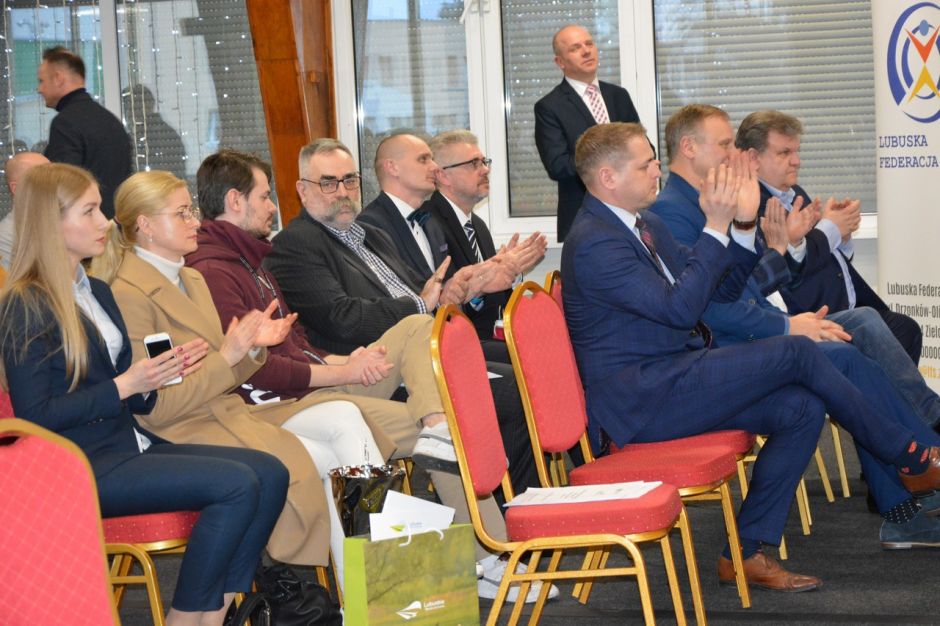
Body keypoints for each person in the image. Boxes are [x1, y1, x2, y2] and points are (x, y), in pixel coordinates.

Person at [562, 121, 940, 592]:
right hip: (643, 401)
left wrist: (741, 227)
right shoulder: (595, 241)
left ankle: (745, 553)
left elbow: (717, 292)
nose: (657, 170)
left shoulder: (646, 225)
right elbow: (680, 311)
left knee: (801, 407)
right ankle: (911, 456)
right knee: (799, 351)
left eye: (655, 161)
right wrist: (716, 226)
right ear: (608, 178)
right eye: (646, 165)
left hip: (678, 375)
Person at [265, 140, 556, 602]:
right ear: (302, 189)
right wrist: (423, 304)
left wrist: (459, 289)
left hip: (415, 361)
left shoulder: (368, 234)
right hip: (360, 370)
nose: (343, 192)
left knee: (466, 410)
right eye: (328, 183)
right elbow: (344, 320)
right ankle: (492, 545)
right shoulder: (296, 245)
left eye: (349, 180)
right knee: (469, 407)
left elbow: (427, 296)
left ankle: (491, 548)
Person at [0, 163, 288, 626]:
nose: (105, 222)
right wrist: (126, 384)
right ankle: (185, 618)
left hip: (125, 445)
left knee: (270, 472)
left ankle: (216, 614)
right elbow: (37, 418)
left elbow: (133, 393)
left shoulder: (94, 290)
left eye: (101, 209)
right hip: (79, 463)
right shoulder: (25, 303)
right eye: (90, 211)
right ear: (52, 223)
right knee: (236, 484)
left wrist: (164, 373)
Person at [650, 104, 940, 548]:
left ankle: (909, 487)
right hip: (720, 350)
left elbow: (741, 287)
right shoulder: (674, 212)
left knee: (855, 335)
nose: (733, 153)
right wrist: (787, 327)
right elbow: (708, 312)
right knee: (845, 356)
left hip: (753, 327)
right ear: (688, 148)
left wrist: (787, 312)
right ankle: (919, 465)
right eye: (725, 144)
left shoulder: (712, 200)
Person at [91, 170, 394, 589]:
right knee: (330, 462)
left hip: (227, 410)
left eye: (191, 211)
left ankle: (373, 582)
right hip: (183, 429)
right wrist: (230, 355)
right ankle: (366, 587)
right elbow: (160, 407)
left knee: (345, 418)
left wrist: (253, 348)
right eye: (182, 214)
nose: (195, 221)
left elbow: (226, 371)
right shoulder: (127, 293)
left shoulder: (190, 277)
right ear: (145, 225)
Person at [734, 109, 922, 363]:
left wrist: (841, 237)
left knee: (905, 330)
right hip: (813, 316)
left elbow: (820, 258)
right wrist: (829, 229)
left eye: (797, 151)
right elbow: (783, 275)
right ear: (753, 158)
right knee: (896, 332)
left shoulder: (793, 192)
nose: (797, 161)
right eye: (785, 153)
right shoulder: (750, 205)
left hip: (851, 307)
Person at [358, 131, 545, 362]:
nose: (433, 167)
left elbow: (455, 296)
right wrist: (475, 285)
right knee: (531, 358)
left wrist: (497, 276)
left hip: (453, 336)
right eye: (423, 159)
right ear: (392, 167)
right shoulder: (376, 226)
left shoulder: (437, 223)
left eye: (484, 162)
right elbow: (408, 298)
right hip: (421, 349)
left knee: (544, 344)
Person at [534, 24, 640, 241]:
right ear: (560, 62)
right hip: (583, 219)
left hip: (631, 212)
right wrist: (610, 158)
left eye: (589, 44)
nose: (586, 51)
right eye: (575, 48)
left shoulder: (618, 96)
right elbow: (558, 166)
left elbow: (644, 147)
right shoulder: (550, 107)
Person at [37, 47, 132, 219]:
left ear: (58, 78)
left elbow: (64, 187)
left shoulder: (65, 123)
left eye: (41, 81)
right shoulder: (110, 120)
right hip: (117, 224)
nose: (39, 89)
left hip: (87, 224)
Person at [1, 152, 49, 270]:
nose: (56, 184)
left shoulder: (59, 220)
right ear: (17, 189)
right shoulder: (7, 236)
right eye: (45, 177)